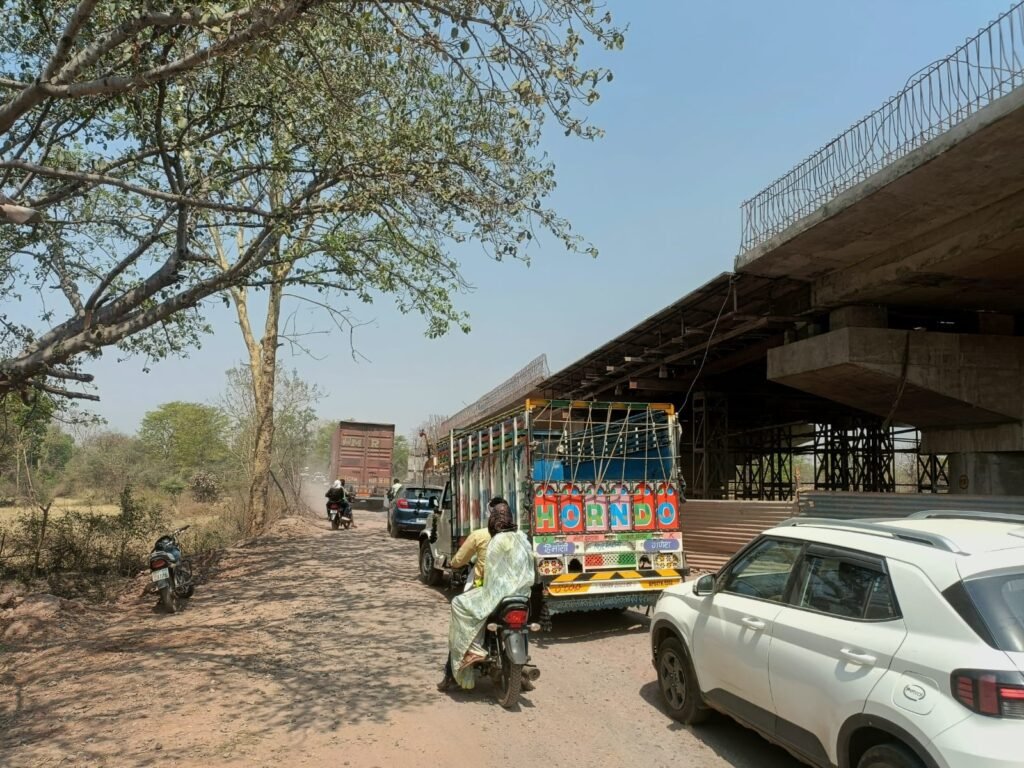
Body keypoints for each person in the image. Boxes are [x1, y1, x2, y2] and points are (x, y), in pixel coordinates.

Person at [437, 500, 534, 693]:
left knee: (459, 605)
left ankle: (455, 671)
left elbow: (489, 575)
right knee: (522, 627)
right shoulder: (522, 537)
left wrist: (452, 564)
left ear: (491, 517)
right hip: (521, 595)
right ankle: (522, 674)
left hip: (495, 593)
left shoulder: (485, 537)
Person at [449, 496, 504, 592]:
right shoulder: (517, 536)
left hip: (483, 585)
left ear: (489, 515)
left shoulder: (478, 535)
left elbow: (460, 558)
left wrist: (453, 564)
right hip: (511, 586)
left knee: (460, 601)